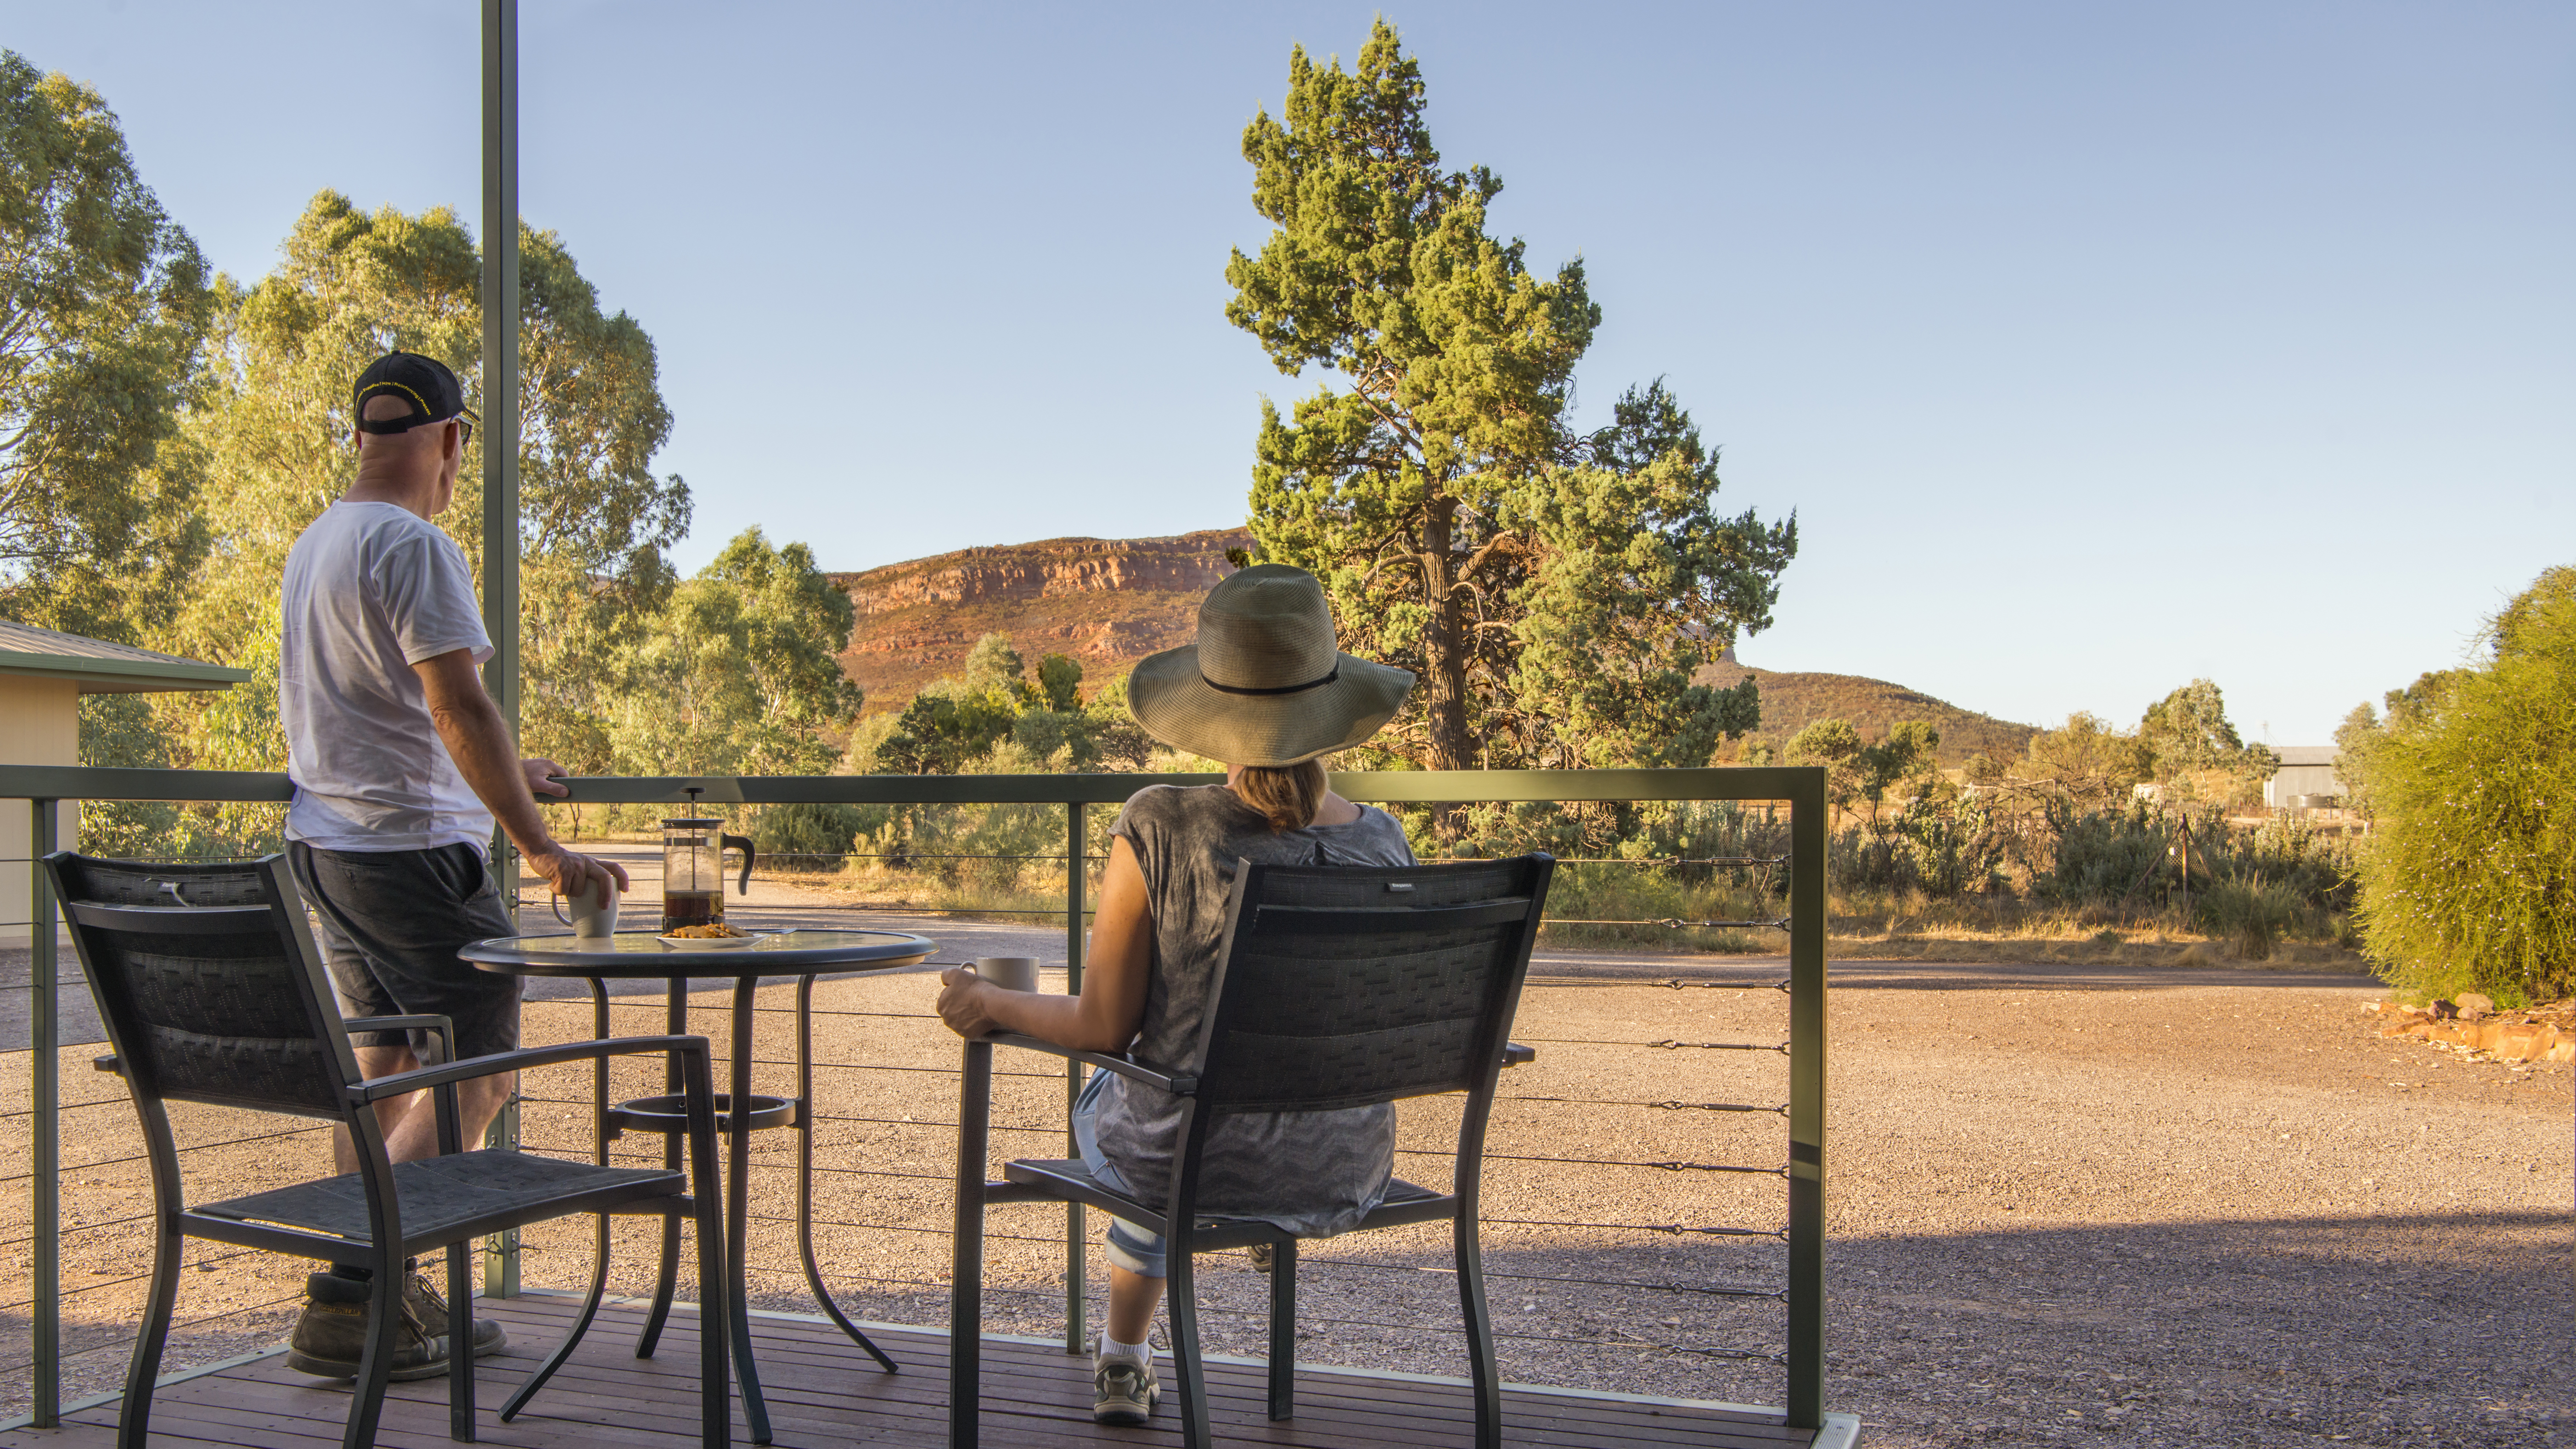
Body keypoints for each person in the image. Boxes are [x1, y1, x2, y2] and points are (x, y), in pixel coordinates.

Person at [935, 564, 1416, 1426]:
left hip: (1192, 1153)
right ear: (1329, 709)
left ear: (1212, 708)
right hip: (1344, 1160)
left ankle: (1122, 1357)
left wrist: (990, 1003)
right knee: (1184, 1097)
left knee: (1145, 1102)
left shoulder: (1159, 823)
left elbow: (1102, 1025)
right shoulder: (1383, 843)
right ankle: (1265, 1226)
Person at [279, 351, 629, 1382]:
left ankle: (382, 1302)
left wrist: (500, 770)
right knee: (478, 1068)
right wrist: (538, 845)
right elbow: (453, 701)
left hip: (330, 849)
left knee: (390, 1071)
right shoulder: (413, 543)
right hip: (411, 855)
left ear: (362, 437)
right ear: (450, 439)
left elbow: (376, 710)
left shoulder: (319, 544)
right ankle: (359, 1287)